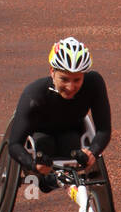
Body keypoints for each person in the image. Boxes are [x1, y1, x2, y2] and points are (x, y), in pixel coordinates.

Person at [8, 37, 111, 192]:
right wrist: (33, 164)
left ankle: (66, 183)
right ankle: (47, 181)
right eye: (64, 79)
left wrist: (92, 152)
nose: (70, 87)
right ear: (52, 72)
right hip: (41, 135)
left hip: (71, 133)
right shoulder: (34, 94)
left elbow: (104, 130)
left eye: (77, 80)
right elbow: (14, 144)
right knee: (45, 144)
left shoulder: (94, 84)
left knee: (71, 144)